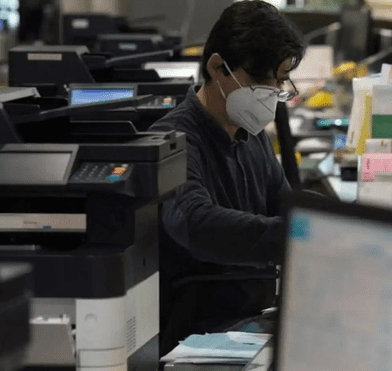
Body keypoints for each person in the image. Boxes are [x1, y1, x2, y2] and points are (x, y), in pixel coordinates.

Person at [147, 0, 305, 355]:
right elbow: (196, 222)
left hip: (253, 320)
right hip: (200, 335)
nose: (271, 95)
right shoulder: (174, 140)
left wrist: (325, 223)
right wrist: (296, 235)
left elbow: (287, 205)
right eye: (263, 82)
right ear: (218, 67)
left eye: (279, 83)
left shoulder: (253, 136)